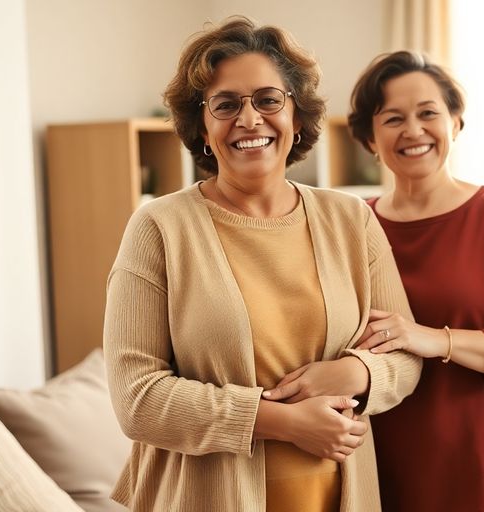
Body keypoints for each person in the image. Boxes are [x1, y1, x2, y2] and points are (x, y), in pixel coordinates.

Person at [103, 17, 421, 512]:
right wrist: (281, 422)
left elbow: (403, 357)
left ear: (296, 117)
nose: (249, 120)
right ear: (202, 126)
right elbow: (137, 399)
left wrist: (354, 372)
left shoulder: (352, 220)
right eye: (226, 105)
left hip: (341, 496)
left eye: (268, 100)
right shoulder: (158, 228)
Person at [278, 50, 484, 511]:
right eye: (393, 118)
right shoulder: (351, 226)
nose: (413, 130)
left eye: (428, 113)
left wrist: (433, 340)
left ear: (456, 122)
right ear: (369, 139)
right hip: (380, 461)